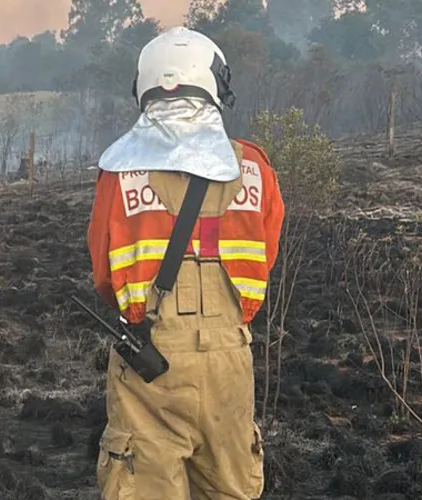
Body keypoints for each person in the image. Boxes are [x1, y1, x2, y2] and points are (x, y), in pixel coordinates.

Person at [86, 26, 285, 500]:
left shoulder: (119, 173)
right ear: (215, 85)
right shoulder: (255, 167)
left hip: (148, 361)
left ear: (145, 88)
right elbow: (266, 254)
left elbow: (102, 271)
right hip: (230, 360)